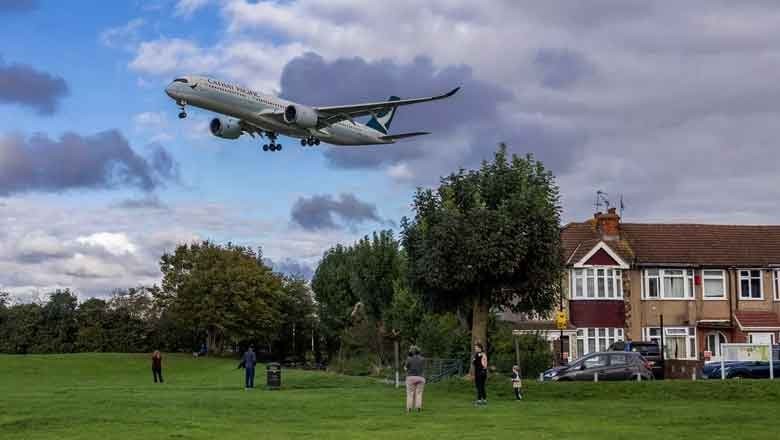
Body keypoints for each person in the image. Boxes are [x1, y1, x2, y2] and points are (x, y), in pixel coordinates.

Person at [404, 345, 426, 413]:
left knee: (410, 394)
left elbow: (405, 368)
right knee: (419, 393)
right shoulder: (422, 359)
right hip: (420, 377)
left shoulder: (409, 359)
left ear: (411, 351)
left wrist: (409, 356)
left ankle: (409, 408)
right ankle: (418, 407)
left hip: (411, 377)